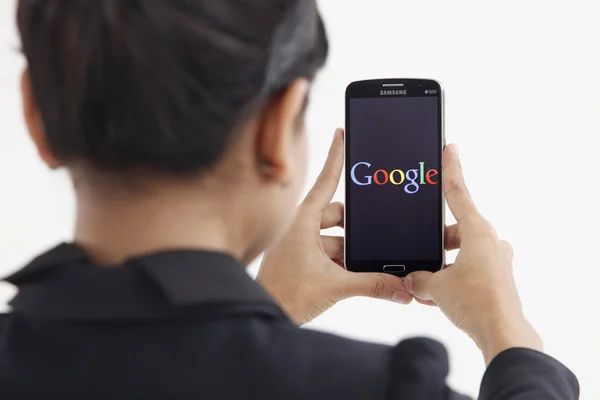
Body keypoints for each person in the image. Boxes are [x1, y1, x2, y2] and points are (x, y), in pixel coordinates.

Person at [0, 0, 578, 399]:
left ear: (35, 114)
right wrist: (510, 337)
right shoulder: (386, 390)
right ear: (275, 128)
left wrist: (262, 313)